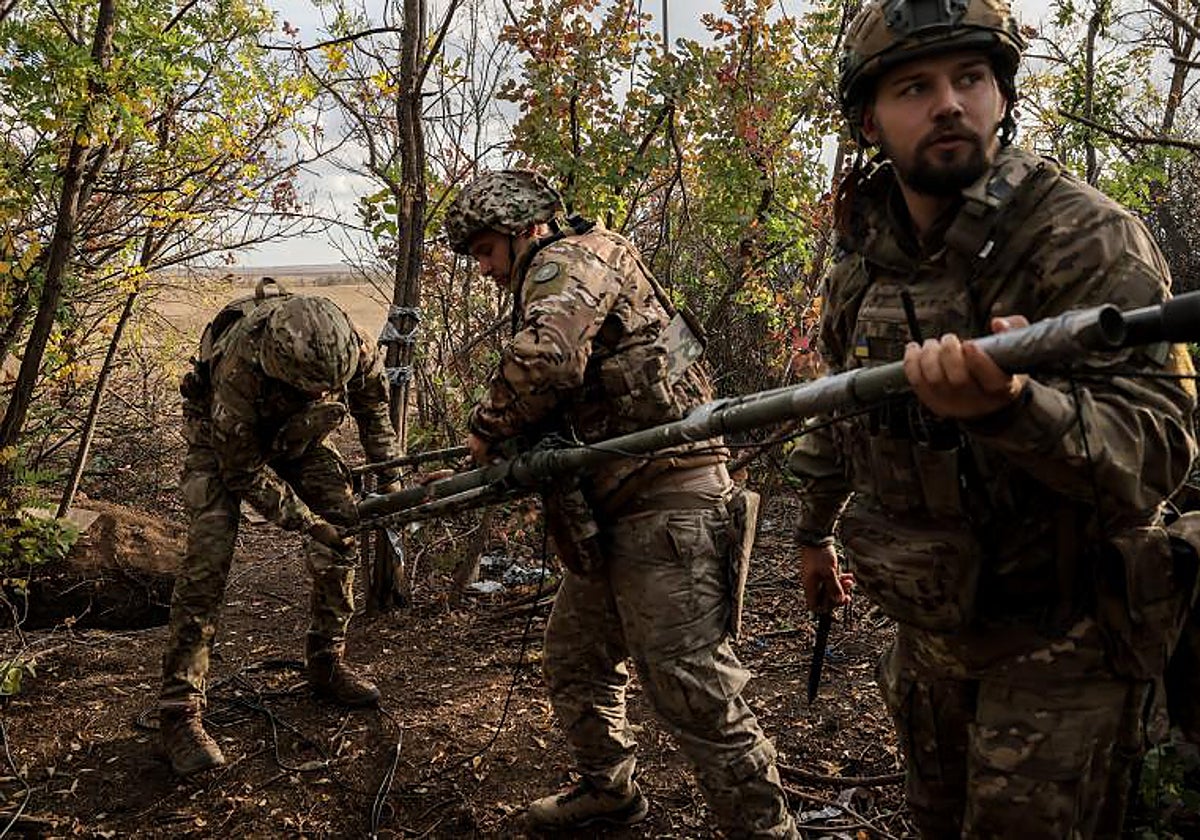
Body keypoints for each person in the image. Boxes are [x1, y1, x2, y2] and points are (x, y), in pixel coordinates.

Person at [787, 0, 1199, 836]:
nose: (949, 103)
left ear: (1002, 96)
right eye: (915, 87)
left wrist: (1014, 409)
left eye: (970, 78)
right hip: (931, 640)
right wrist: (812, 533)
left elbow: (1159, 455)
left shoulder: (1085, 239)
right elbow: (844, 412)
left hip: (1067, 642)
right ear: (869, 119)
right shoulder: (864, 263)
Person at [444, 170, 798, 837]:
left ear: (527, 229)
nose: (486, 268)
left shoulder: (569, 258)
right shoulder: (571, 261)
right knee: (576, 659)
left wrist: (487, 428)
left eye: (487, 250)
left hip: (669, 501)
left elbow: (548, 358)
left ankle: (768, 832)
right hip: (620, 506)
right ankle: (609, 790)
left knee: (695, 694)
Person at [158, 283, 402, 777]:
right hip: (222, 444)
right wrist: (310, 526)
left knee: (345, 522)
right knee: (208, 559)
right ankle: (179, 711)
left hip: (301, 439)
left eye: (323, 388)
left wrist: (391, 481)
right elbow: (242, 472)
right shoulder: (240, 365)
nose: (317, 393)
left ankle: (326, 660)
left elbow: (374, 411)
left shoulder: (353, 345)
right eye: (306, 387)